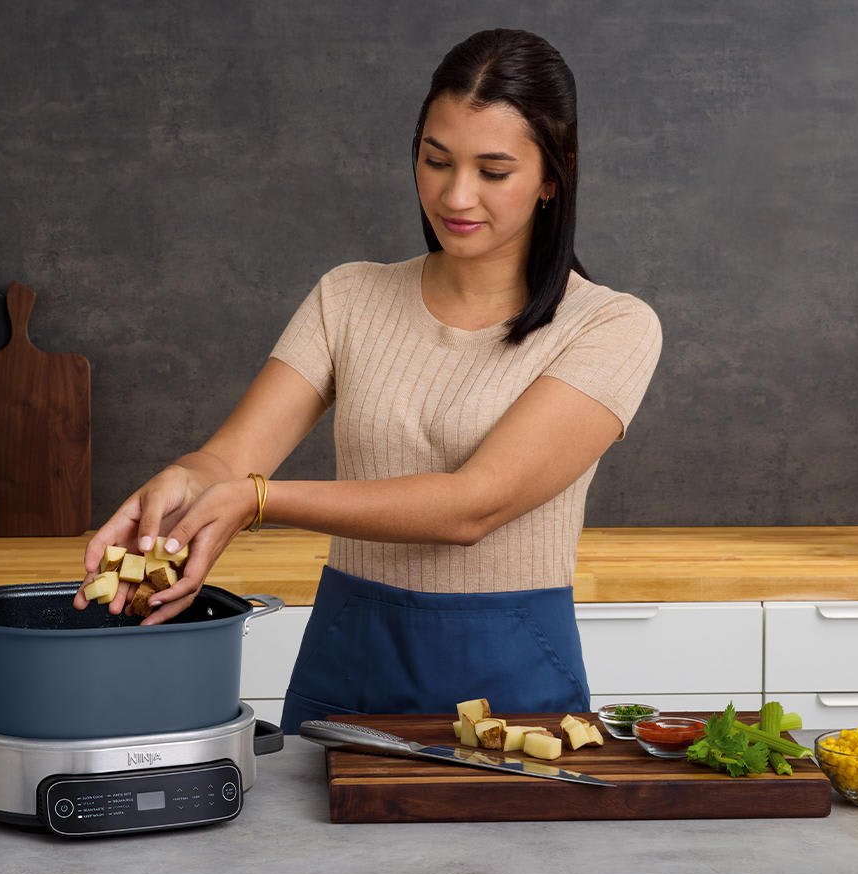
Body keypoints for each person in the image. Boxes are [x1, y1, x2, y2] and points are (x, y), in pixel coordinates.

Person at [73, 28, 662, 734]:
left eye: (493, 171)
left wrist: (258, 501)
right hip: (347, 664)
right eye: (435, 160)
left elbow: (472, 506)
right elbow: (231, 459)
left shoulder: (609, 326)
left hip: (512, 682)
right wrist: (179, 485)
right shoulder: (348, 297)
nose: (456, 194)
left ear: (553, 176)